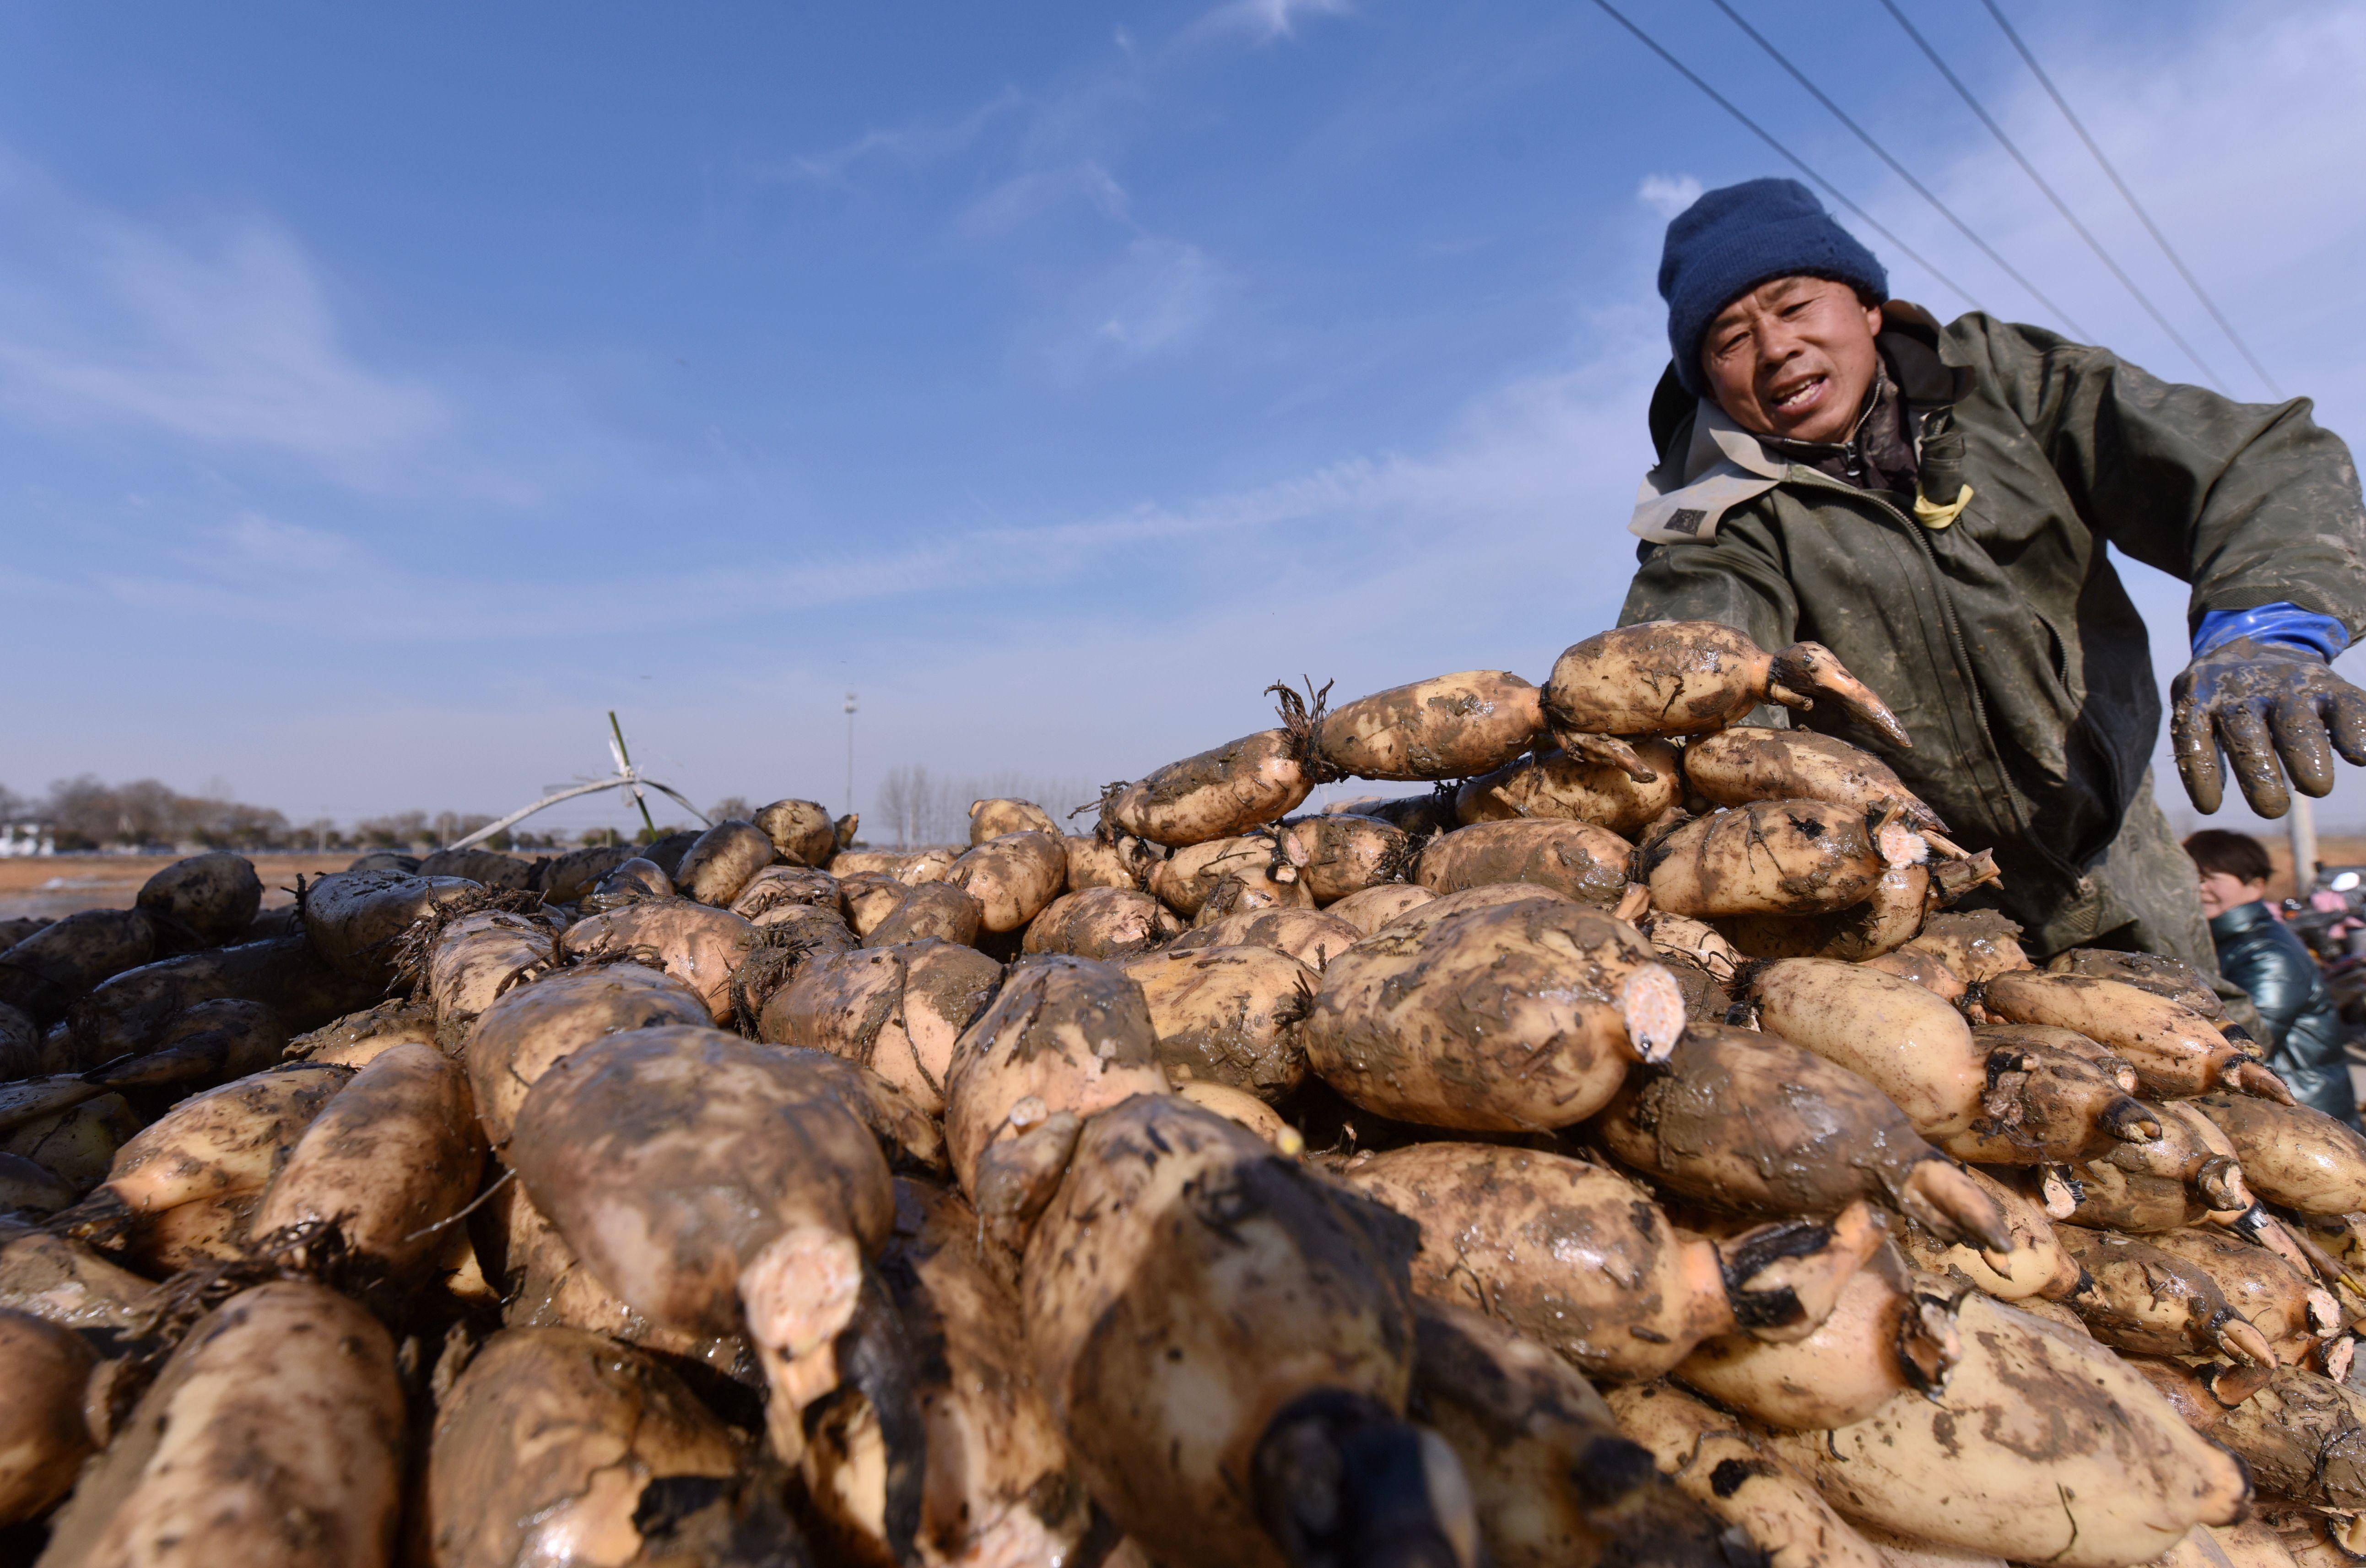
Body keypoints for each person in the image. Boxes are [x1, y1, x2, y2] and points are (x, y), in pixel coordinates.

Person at [1619, 176, 2366, 975]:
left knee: (2214, 1070)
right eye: (1730, 341)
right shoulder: (1714, 519)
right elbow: (1694, 685)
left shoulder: (2010, 388)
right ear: (1708, 382)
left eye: (1795, 307)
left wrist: (2264, 627)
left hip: (2128, 869)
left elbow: (2250, 468)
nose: (1775, 350)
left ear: (1868, 307)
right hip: (1919, 928)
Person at [2184, 829, 2358, 1127]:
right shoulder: (2219, 942)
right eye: (2191, 877)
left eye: (2210, 878)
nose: (2199, 888)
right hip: (2271, 1111)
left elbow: (2248, 1042)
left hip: (2302, 1119)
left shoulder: (2267, 954)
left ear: (2256, 886)